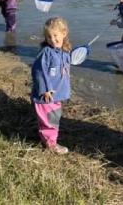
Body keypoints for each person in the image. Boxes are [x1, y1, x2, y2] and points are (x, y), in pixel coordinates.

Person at [31, 17, 72, 155]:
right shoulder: (46, 53)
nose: (52, 39)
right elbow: (39, 71)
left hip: (56, 94)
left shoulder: (64, 51)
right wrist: (45, 90)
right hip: (46, 95)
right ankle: (51, 144)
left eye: (55, 35)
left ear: (64, 33)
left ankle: (46, 136)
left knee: (52, 115)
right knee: (50, 118)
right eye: (49, 36)